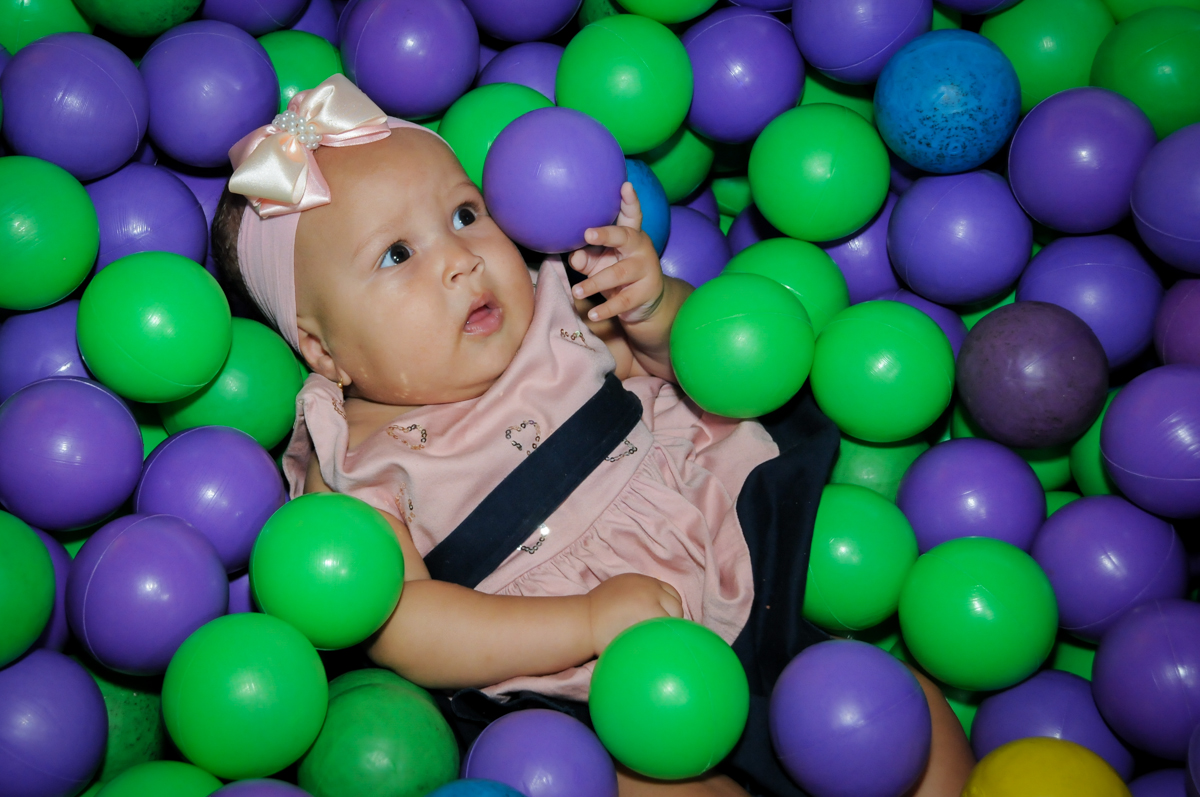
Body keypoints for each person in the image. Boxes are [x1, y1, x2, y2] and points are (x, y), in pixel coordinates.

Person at [212, 75, 973, 797]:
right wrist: (582, 621)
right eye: (396, 255)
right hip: (587, 680)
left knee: (897, 715)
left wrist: (650, 308)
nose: (460, 259)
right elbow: (403, 624)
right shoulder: (354, 462)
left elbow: (699, 366)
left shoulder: (556, 307)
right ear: (322, 350)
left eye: (464, 214)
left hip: (734, 552)